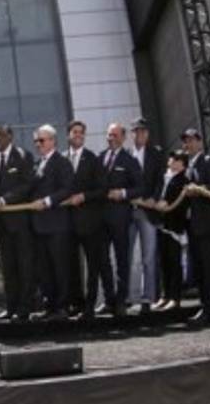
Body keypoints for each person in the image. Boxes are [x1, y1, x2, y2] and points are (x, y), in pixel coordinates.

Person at [63, 120, 112, 320]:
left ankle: (90, 306)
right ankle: (76, 304)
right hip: (68, 223)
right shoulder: (62, 159)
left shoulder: (92, 159)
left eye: (81, 133)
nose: (78, 135)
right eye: (75, 132)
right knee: (72, 266)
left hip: (91, 221)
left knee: (94, 266)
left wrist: (84, 196)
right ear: (68, 135)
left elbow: (102, 189)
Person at [27, 125, 74, 320]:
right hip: (40, 225)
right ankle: (50, 305)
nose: (38, 144)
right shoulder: (38, 164)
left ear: (53, 141)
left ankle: (63, 306)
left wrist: (47, 202)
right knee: (44, 268)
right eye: (36, 141)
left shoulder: (62, 162)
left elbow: (68, 189)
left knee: (59, 266)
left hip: (56, 223)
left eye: (42, 140)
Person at [0, 123, 35, 321]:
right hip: (0, 223)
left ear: (9, 136)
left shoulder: (23, 156)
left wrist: (5, 200)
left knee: (23, 265)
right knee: (7, 267)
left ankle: (25, 308)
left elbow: (27, 185)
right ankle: (11, 306)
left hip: (20, 221)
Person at [99, 122, 143, 318]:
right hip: (101, 218)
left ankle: (121, 300)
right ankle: (108, 299)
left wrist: (124, 193)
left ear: (123, 137)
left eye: (115, 135)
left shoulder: (129, 160)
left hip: (120, 217)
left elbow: (141, 187)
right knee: (102, 259)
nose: (111, 138)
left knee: (122, 259)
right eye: (109, 135)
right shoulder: (100, 158)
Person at [182, 128, 210, 324]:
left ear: (200, 142)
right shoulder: (189, 166)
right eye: (186, 141)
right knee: (199, 269)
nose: (188, 144)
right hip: (194, 226)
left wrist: (197, 190)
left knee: (209, 268)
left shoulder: (207, 162)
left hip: (207, 225)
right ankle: (205, 307)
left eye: (192, 140)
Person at [128, 118, 165, 315]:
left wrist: (154, 198)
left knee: (148, 256)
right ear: (131, 134)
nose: (139, 134)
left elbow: (160, 180)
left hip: (148, 211)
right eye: (135, 131)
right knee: (125, 255)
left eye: (142, 131)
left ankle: (148, 297)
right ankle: (127, 297)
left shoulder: (156, 153)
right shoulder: (126, 155)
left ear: (147, 134)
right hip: (128, 211)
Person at [150, 150, 189, 311]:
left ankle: (175, 297)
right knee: (163, 262)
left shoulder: (183, 181)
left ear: (182, 164)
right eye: (172, 157)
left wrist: (159, 205)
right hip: (161, 225)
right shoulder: (164, 177)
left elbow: (171, 204)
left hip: (174, 227)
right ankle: (165, 296)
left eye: (177, 159)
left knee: (174, 263)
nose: (172, 160)